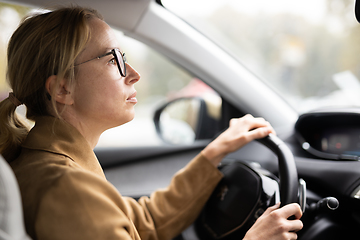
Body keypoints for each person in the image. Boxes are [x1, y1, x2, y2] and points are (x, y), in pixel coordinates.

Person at [0, 6, 303, 240]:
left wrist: (215, 152)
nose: (133, 73)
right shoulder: (68, 190)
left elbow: (144, 222)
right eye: (113, 60)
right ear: (62, 88)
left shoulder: (45, 166)